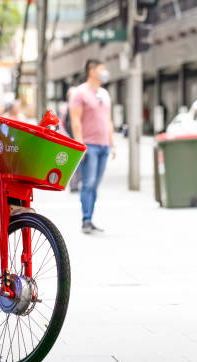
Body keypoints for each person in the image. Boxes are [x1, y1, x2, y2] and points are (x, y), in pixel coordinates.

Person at [69, 59, 116, 234]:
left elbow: (109, 121)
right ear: (92, 71)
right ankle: (86, 220)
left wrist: (112, 144)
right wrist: (80, 144)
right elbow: (75, 120)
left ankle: (90, 218)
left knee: (95, 184)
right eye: (101, 69)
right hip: (89, 145)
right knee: (88, 183)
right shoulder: (79, 93)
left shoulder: (104, 93)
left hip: (103, 146)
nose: (104, 72)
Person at [59, 87, 81, 193]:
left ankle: (79, 182)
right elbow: (61, 124)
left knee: (81, 161)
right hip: (70, 138)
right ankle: (73, 185)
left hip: (79, 138)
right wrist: (66, 137)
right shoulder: (64, 107)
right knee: (72, 162)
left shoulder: (80, 107)